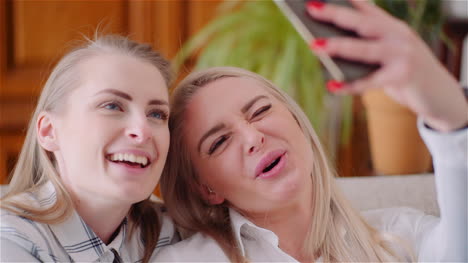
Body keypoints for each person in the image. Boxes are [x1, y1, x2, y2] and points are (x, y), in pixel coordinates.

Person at [155, 0, 467, 262]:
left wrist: (450, 117)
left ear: (298, 122)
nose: (253, 138)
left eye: (261, 111)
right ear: (206, 188)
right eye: (220, 141)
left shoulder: (402, 237)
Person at [0, 35, 177, 262]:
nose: (143, 131)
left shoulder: (175, 234)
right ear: (49, 131)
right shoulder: (10, 239)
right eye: (112, 106)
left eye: (156, 114)